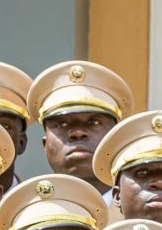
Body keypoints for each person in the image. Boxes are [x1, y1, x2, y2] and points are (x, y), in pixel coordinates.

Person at [28, 59, 132, 188]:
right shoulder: (22, 202)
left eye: (94, 122)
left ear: (116, 140)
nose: (77, 133)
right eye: (62, 124)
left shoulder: (145, 202)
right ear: (45, 145)